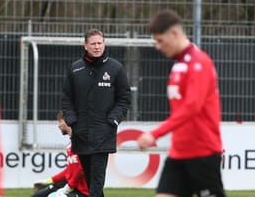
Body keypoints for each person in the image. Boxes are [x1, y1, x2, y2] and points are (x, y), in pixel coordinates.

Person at [137, 10, 225, 197]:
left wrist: (155, 133)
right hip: (178, 153)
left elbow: (191, 107)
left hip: (203, 152)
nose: (158, 47)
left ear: (174, 34)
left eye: (161, 40)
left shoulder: (199, 63)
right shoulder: (178, 65)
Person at [62, 29, 131, 197]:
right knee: (92, 182)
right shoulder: (75, 69)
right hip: (81, 134)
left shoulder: (115, 68)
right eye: (93, 43)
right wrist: (73, 121)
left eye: (100, 43)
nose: (97, 46)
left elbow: (124, 98)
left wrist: (113, 120)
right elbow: (66, 98)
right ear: (85, 46)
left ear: (104, 44)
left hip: (103, 134)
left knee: (97, 181)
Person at [32, 111, 88, 197]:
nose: (58, 125)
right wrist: (49, 181)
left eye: (60, 121)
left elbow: (81, 169)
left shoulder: (80, 142)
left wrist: (68, 188)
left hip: (81, 191)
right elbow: (69, 170)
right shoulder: (70, 144)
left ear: (67, 121)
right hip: (69, 185)